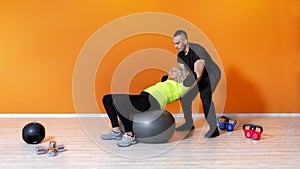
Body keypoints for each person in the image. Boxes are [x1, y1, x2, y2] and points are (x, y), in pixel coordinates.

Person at [101, 66, 189, 147]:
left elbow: (195, 77)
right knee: (107, 99)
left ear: (181, 77)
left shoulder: (180, 87)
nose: (172, 70)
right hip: (143, 97)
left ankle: (130, 135)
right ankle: (116, 131)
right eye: (172, 69)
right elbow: (166, 77)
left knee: (119, 102)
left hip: (153, 102)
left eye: (175, 71)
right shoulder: (165, 81)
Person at [172, 30, 221, 138]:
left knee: (205, 96)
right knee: (185, 97)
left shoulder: (197, 50)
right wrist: (177, 90)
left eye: (177, 43)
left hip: (211, 74)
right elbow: (182, 75)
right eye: (174, 43)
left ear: (185, 41)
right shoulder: (180, 55)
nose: (175, 46)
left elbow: (198, 76)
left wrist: (186, 89)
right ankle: (189, 124)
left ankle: (214, 128)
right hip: (198, 76)